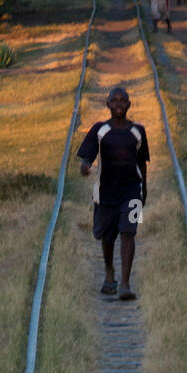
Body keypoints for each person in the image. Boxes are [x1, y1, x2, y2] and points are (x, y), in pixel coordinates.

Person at [76, 85, 149, 303]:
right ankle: (110, 272)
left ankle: (125, 284)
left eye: (122, 100)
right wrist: (85, 166)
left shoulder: (138, 131)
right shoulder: (100, 130)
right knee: (105, 235)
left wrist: (144, 189)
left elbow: (142, 162)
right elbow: (87, 156)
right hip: (105, 192)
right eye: (114, 101)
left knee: (129, 233)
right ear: (107, 104)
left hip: (131, 191)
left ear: (129, 104)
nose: (118, 104)